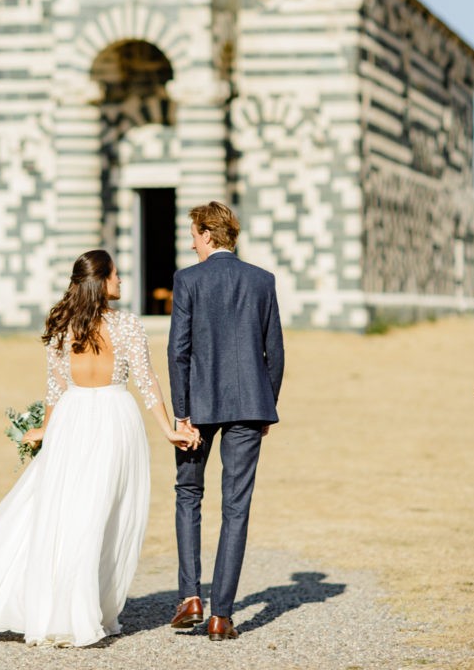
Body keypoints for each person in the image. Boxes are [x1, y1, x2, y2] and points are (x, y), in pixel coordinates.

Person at [0, 249, 194, 648]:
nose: (121, 280)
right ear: (102, 281)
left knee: (68, 512)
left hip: (71, 419)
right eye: (115, 274)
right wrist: (168, 429)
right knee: (103, 515)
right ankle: (79, 612)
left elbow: (55, 389)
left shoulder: (62, 327)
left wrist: (46, 428)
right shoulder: (127, 325)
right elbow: (147, 382)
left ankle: (68, 608)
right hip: (114, 419)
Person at [167, 201, 285, 641]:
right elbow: (275, 351)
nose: (191, 244)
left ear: (207, 234)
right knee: (236, 507)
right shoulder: (262, 280)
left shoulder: (188, 280)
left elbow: (178, 351)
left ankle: (190, 597)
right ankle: (221, 616)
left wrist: (182, 413)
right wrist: (266, 405)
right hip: (251, 405)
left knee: (188, 493)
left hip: (198, 408)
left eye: (193, 236)